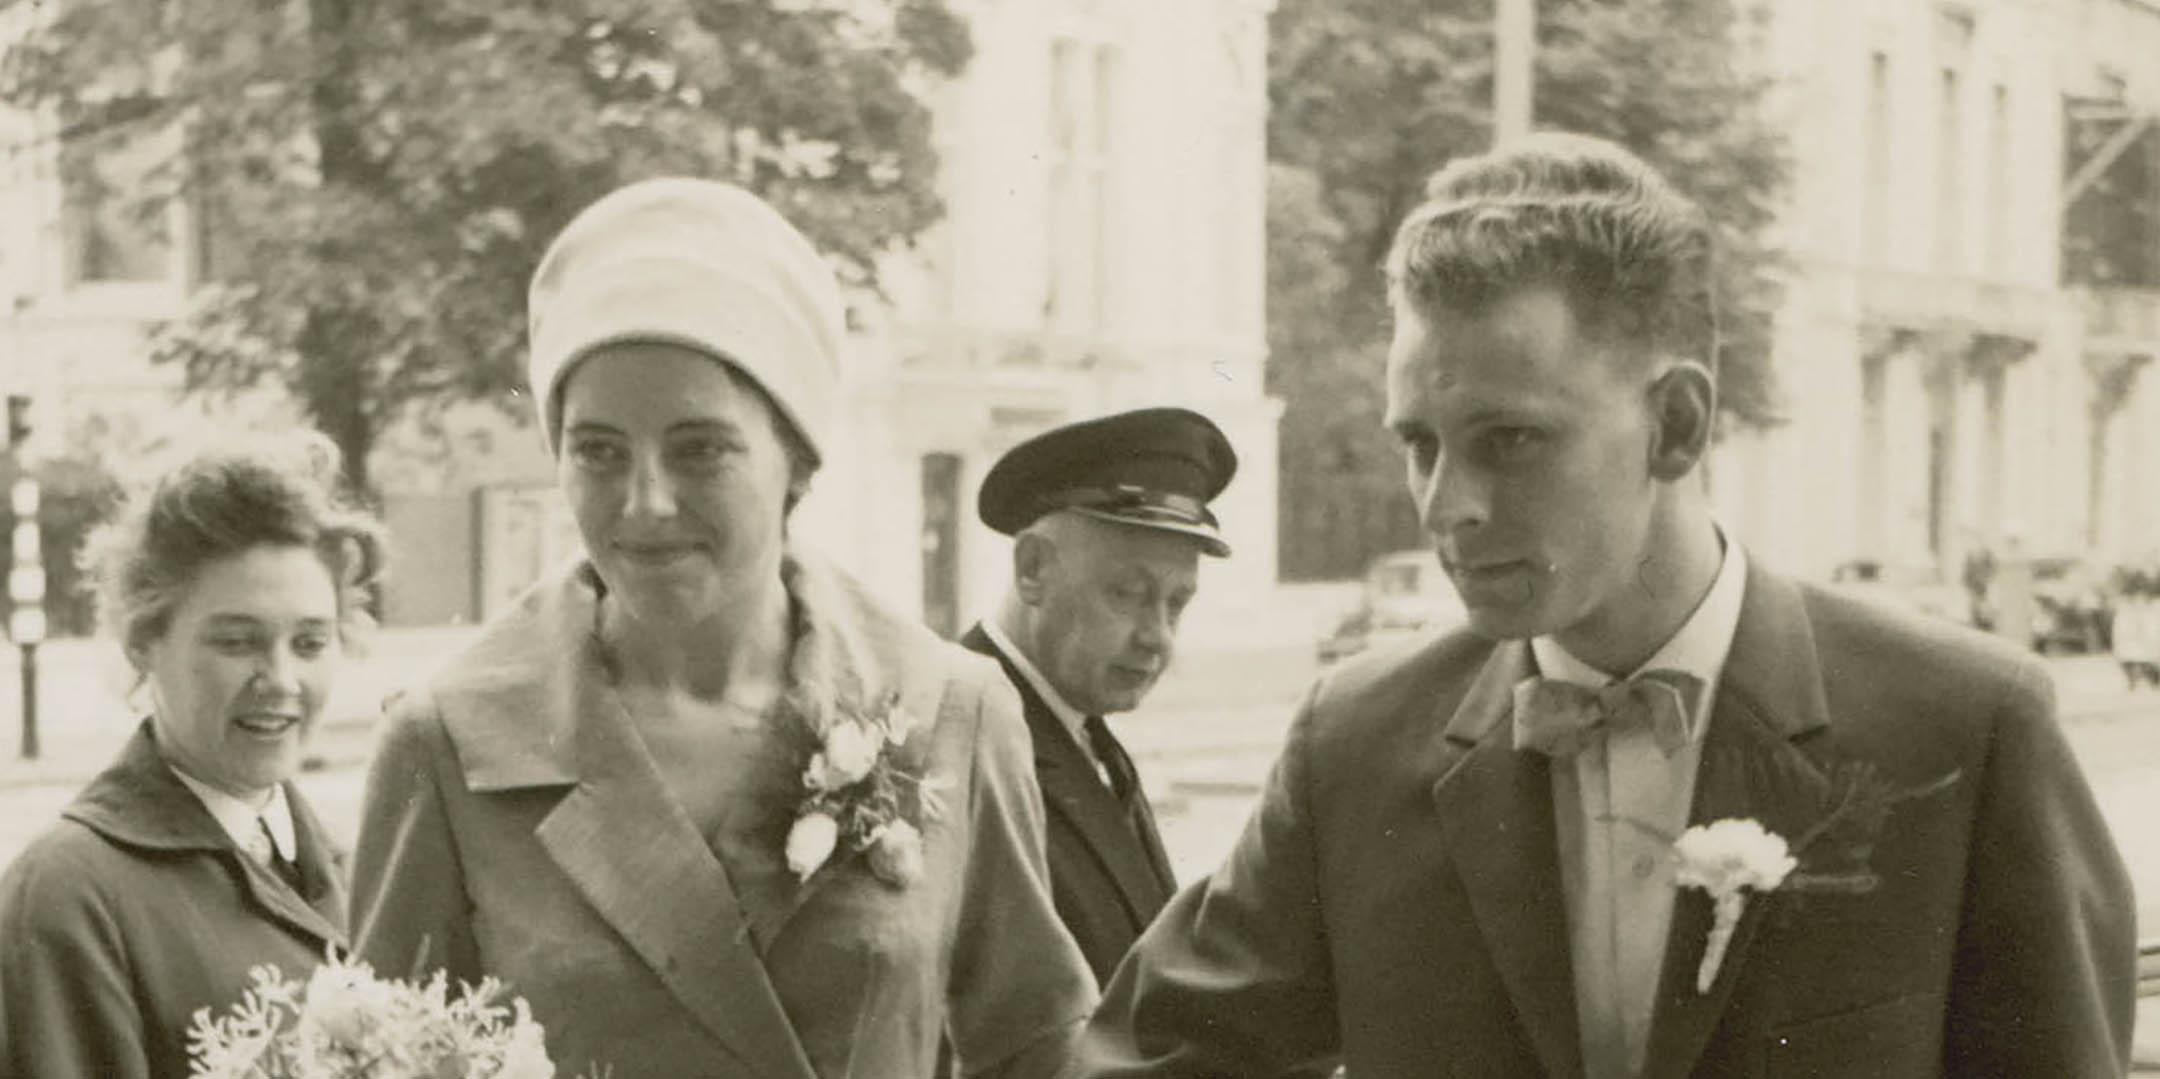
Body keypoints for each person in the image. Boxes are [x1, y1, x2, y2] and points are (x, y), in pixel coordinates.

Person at [1074, 133, 2135, 1078]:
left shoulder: (1965, 727)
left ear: (1675, 425)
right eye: (1420, 443)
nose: (1449, 505)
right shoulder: (1353, 744)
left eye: (1511, 439)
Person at [349, 177, 1094, 1079]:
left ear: (797, 462)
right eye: (598, 451)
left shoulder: (950, 710)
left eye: (700, 448)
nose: (645, 501)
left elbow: (1040, 1046)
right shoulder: (449, 742)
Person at [0, 435, 379, 1079]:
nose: (280, 679)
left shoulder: (355, 863)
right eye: (237, 641)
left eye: (311, 642)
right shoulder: (69, 895)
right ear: (144, 640)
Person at [959, 407, 1237, 986]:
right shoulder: (960, 736)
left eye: (1177, 603)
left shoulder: (1080, 731)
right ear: (1032, 568)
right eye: (1128, 593)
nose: (1157, 636)